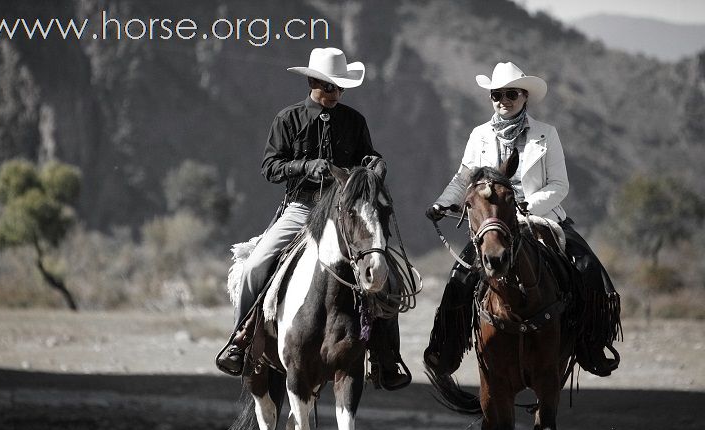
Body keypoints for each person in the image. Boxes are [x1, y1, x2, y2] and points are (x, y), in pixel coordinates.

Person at [216, 47, 410, 390]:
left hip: (345, 211)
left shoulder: (354, 120)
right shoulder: (287, 119)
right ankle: (241, 339)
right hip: (302, 209)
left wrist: (376, 164)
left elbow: (370, 154)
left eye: (341, 88)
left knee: (387, 274)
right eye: (331, 87)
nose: (337, 94)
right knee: (255, 266)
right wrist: (305, 167)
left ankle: (386, 357)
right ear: (312, 82)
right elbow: (270, 167)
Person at [424, 61, 620, 377]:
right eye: (497, 94)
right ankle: (446, 350)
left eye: (511, 93)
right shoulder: (479, 135)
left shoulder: (547, 134)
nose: (504, 100)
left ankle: (592, 344)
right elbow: (463, 178)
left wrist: (528, 205)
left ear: (524, 96)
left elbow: (559, 185)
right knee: (458, 279)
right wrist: (442, 203)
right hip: (493, 219)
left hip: (539, 215)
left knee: (589, 268)